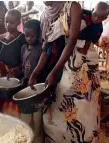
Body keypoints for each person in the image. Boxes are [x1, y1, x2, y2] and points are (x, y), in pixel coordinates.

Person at [28, 1, 107, 142]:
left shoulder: (72, 7)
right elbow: (46, 47)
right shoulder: (46, 14)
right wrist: (36, 73)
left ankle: (79, 138)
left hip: (79, 65)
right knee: (58, 106)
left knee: (79, 105)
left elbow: (72, 42)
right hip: (58, 62)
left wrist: (53, 72)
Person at [0, 9, 26, 117]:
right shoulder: (0, 38)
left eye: (11, 22)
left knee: (11, 101)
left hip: (14, 76)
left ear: (18, 22)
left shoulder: (22, 39)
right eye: (6, 21)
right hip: (1, 74)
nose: (7, 25)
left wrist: (17, 69)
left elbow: (24, 59)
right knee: (0, 98)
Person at [20, 19, 42, 88]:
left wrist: (29, 77)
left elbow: (41, 69)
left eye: (32, 36)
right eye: (27, 36)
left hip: (36, 81)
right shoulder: (23, 48)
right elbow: (22, 65)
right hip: (25, 80)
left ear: (38, 35)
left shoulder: (40, 49)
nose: (29, 39)